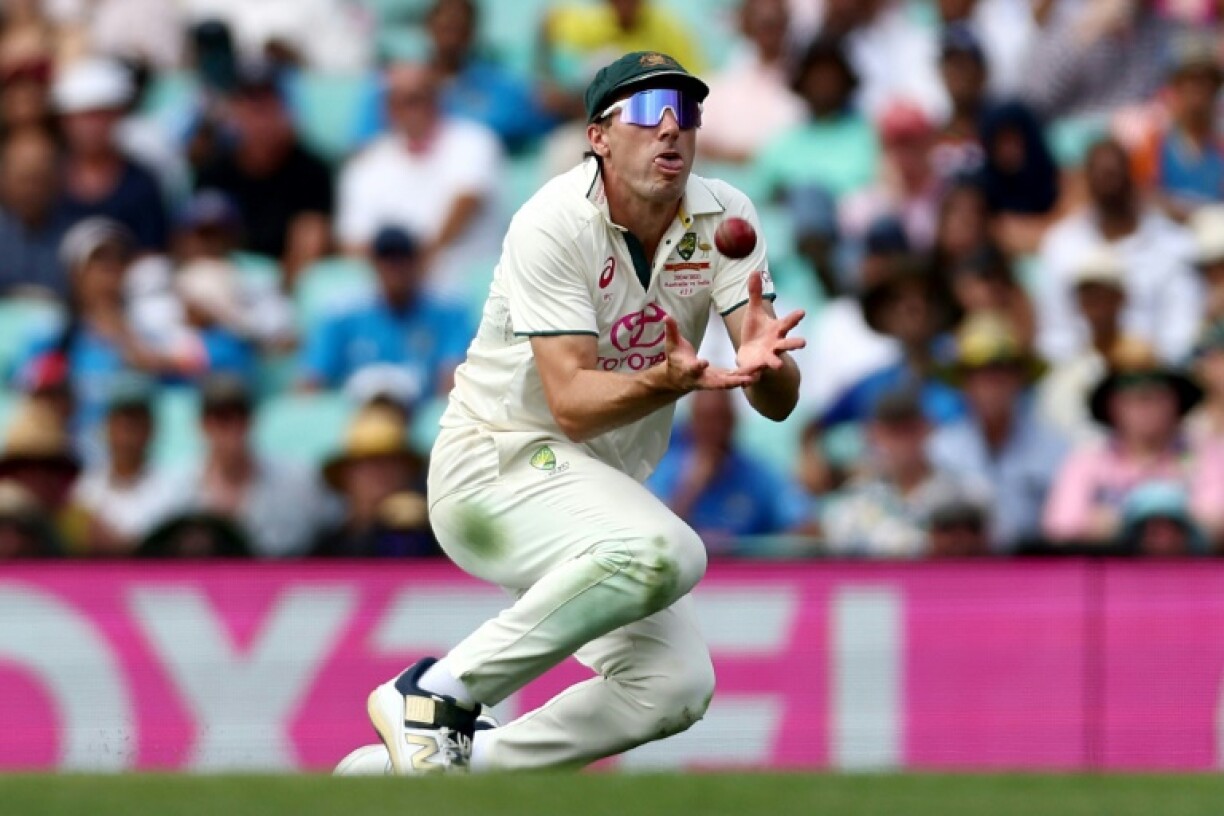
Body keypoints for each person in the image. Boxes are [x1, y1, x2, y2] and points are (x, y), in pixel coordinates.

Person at [360, 51, 804, 774]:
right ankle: (435, 695)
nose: (670, 128)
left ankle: (413, 770)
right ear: (598, 134)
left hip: (588, 491)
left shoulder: (725, 217)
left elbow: (776, 403)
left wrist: (768, 365)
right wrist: (669, 382)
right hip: (495, 466)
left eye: (685, 111)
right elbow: (568, 404)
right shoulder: (553, 221)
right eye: (644, 110)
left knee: (673, 687)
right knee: (671, 550)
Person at [335, 60, 503, 301]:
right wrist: (397, 272)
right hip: (392, 288)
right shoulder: (366, 162)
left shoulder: (475, 141)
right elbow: (353, 241)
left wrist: (419, 261)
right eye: (399, 101)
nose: (410, 109)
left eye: (417, 98)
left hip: (466, 280)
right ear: (387, 108)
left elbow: (465, 202)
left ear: (436, 99)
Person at [1043, 339, 1224, 546]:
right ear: (1111, 407)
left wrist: (1115, 521)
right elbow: (1060, 527)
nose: (1147, 408)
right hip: (1109, 574)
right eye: (1134, 399)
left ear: (1177, 402)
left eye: (1158, 396)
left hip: (1191, 573)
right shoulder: (1088, 460)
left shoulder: (1204, 452)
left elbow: (1216, 521)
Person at [1033, 138, 1200, 364]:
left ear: (1131, 176)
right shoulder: (1061, 244)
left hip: (1157, 370)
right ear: (1086, 181)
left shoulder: (1171, 243)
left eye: (1114, 173)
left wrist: (1150, 363)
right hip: (1082, 369)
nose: (1108, 183)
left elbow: (1182, 325)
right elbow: (1055, 332)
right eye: (1100, 175)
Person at [929, 313, 1067, 552]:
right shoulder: (939, 449)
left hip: (1035, 572)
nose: (991, 384)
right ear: (964, 381)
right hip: (958, 574)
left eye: (1001, 371)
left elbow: (1063, 529)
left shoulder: (1057, 449)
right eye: (979, 373)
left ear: (1020, 378)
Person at [194, 65, 333, 285]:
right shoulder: (213, 171)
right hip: (227, 282)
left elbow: (309, 245)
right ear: (235, 112)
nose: (260, 119)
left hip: (283, 286)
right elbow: (200, 242)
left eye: (267, 106)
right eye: (251, 106)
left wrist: (278, 293)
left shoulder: (312, 171)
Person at [297, 225, 473, 397]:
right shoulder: (342, 315)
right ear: (373, 264)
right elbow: (313, 378)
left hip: (420, 412)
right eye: (387, 259)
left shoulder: (448, 312)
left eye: (402, 258)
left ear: (417, 263)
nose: (395, 268)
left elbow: (452, 377)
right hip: (359, 411)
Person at [822, 387, 985, 558]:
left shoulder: (967, 492)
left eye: (909, 430)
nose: (901, 442)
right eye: (892, 432)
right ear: (874, 435)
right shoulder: (853, 501)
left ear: (927, 428)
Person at [183, 375, 334, 558]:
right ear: (203, 424)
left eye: (241, 416)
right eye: (222, 418)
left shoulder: (297, 480)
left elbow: (336, 527)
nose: (233, 427)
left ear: (253, 420)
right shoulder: (176, 486)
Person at [646, 389, 808, 552]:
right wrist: (690, 488)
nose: (714, 428)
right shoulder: (664, 470)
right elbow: (654, 538)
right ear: (692, 423)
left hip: (741, 571)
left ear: (733, 420)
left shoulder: (759, 474)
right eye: (706, 419)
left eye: (721, 418)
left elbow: (802, 522)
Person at [52, 57, 169, 251]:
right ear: (64, 120)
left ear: (119, 116)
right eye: (84, 116)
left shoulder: (143, 185)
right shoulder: (47, 182)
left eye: (102, 115)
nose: (92, 126)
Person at [72, 376, 189, 555]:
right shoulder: (86, 488)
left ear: (152, 428)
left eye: (136, 420)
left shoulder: (176, 488)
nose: (128, 430)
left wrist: (127, 547)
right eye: (121, 420)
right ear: (107, 427)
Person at [754, 37, 879, 202]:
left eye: (831, 76)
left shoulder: (866, 135)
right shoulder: (783, 141)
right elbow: (760, 194)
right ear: (803, 82)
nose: (824, 84)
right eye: (816, 76)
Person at [1036, 245, 1136, 444]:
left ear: (1122, 298)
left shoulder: (1148, 361)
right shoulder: (1064, 377)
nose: (1097, 304)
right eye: (1088, 296)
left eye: (1104, 294)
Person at [425, 0, 555, 151]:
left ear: (472, 32)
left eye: (459, 29)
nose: (452, 38)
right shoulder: (405, 87)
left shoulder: (501, 86)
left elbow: (520, 118)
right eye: (446, 28)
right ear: (430, 27)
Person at [312, 404, 436, 558]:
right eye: (368, 463)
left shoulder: (434, 537)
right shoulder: (327, 546)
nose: (381, 474)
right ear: (345, 475)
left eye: (391, 462)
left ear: (407, 472)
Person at [697, 0, 805, 164]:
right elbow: (700, 137)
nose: (768, 29)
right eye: (762, 22)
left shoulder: (802, 75)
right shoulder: (723, 67)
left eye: (774, 22)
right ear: (745, 23)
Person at [1130, 33, 1224, 219]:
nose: (1198, 89)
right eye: (1190, 80)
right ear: (1175, 87)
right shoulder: (1153, 146)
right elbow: (1140, 196)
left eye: (1205, 81)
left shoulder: (1220, 145)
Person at [0, 128, 74, 298]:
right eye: (23, 180)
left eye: (39, 180)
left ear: (57, 181)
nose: (31, 191)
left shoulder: (74, 238)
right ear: (3, 181)